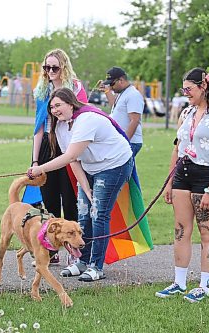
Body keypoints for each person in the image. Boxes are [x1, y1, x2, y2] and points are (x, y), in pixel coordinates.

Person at [28, 87, 134, 281]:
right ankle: (81, 261)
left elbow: (70, 155)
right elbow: (73, 161)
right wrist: (85, 188)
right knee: (83, 212)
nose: (54, 110)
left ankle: (96, 266)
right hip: (91, 167)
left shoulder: (87, 120)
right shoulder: (60, 127)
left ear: (71, 103)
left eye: (58, 105)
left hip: (114, 165)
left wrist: (40, 168)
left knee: (99, 214)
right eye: (51, 107)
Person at [157, 68, 209, 302]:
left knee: (206, 232)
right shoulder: (187, 112)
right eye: (183, 89)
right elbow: (177, 147)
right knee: (181, 230)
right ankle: (179, 282)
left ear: (203, 86)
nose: (185, 93)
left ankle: (204, 285)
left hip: (207, 176)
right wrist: (170, 182)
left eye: (189, 89)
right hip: (183, 172)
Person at [32, 48, 88, 267]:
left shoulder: (75, 88)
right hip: (48, 142)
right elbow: (37, 128)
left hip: (69, 144)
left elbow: (83, 116)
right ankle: (52, 246)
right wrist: (36, 161)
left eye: (54, 67)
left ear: (64, 66)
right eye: (46, 67)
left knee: (71, 195)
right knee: (49, 197)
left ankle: (74, 247)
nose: (50, 71)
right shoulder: (42, 91)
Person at [100, 67, 144, 157]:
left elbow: (135, 120)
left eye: (111, 84)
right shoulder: (123, 93)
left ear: (121, 80)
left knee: (120, 170)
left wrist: (125, 142)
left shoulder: (133, 95)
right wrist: (107, 91)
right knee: (127, 170)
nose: (111, 87)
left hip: (131, 141)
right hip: (123, 141)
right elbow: (114, 107)